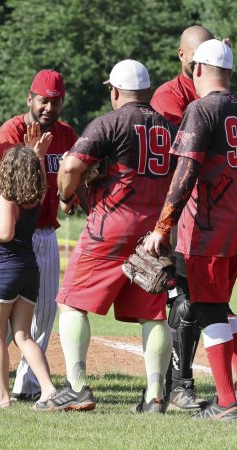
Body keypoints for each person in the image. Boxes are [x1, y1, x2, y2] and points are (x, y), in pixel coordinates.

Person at [41, 59, 174, 413]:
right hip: (153, 230)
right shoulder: (167, 126)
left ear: (114, 91)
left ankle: (77, 387)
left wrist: (67, 196)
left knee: (71, 302)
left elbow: (70, 166)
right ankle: (155, 395)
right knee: (153, 314)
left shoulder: (110, 122)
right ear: (147, 91)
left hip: (111, 225)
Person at [150, 25, 237, 415]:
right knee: (221, 305)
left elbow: (184, 174)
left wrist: (162, 226)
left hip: (209, 226)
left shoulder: (200, 109)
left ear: (198, 68)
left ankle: (224, 402)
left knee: (208, 309)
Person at [0, 70, 78, 402]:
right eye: (44, 100)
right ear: (30, 99)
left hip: (45, 232)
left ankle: (30, 385)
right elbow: (1, 186)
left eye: (56, 101)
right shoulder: (12, 131)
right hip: (12, 234)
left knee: (44, 315)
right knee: (7, 323)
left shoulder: (65, 135)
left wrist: (68, 196)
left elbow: (72, 178)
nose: (49, 107)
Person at [0, 141, 60, 409]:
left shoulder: (6, 200)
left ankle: (2, 396)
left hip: (4, 271)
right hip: (30, 271)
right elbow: (42, 185)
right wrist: (38, 158)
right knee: (23, 335)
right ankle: (49, 389)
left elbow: (5, 233)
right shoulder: (35, 199)